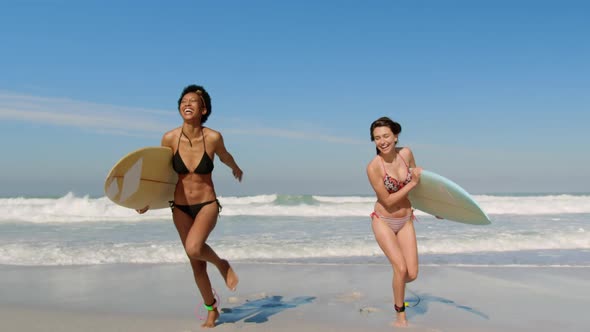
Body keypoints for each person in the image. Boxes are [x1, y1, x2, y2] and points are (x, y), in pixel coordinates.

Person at [137, 84, 243, 328]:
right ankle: (211, 310)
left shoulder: (213, 137)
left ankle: (222, 264)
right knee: (196, 264)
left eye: (193, 101)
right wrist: (146, 199)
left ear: (203, 109)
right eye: (184, 101)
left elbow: (225, 155)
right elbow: (160, 172)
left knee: (195, 248)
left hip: (206, 204)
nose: (187, 104)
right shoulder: (170, 138)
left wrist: (235, 167)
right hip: (180, 207)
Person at [366, 116, 422, 327]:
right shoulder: (374, 167)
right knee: (400, 268)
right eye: (377, 138)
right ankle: (400, 316)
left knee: (412, 274)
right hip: (384, 221)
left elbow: (420, 186)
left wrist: (436, 208)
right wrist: (412, 183)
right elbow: (388, 201)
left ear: (395, 135)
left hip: (406, 220)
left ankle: (397, 284)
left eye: (386, 136)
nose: (382, 141)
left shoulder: (406, 154)